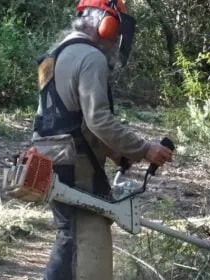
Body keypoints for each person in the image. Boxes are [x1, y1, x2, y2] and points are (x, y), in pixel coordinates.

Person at [31, 1, 173, 279]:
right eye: (116, 26)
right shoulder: (90, 57)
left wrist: (111, 150)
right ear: (105, 23)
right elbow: (98, 120)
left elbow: (67, 117)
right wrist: (144, 149)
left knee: (69, 234)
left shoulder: (55, 55)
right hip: (75, 161)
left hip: (51, 154)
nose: (117, 36)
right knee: (84, 237)